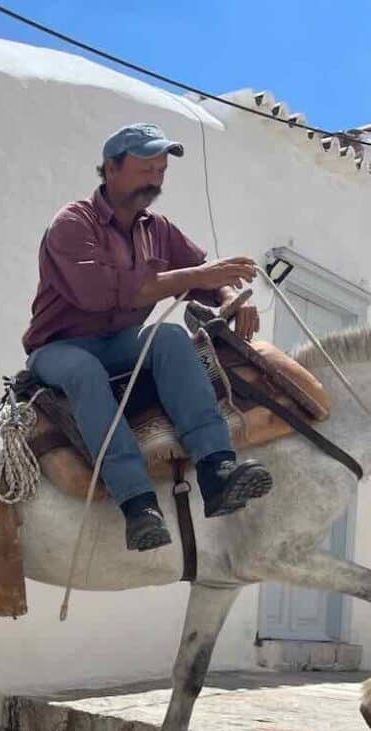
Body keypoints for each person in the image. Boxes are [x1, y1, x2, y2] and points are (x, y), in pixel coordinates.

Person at [24, 122, 274, 551]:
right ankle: (137, 503)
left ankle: (216, 470)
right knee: (83, 371)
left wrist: (232, 296)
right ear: (110, 168)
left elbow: (206, 274)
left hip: (122, 340)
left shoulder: (157, 227)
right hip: (59, 347)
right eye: (146, 168)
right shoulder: (72, 223)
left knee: (172, 337)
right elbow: (101, 292)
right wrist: (200, 275)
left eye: (161, 170)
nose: (156, 178)